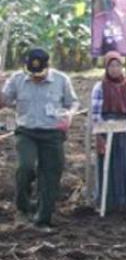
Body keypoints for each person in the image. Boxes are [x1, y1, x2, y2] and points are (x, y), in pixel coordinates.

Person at [1, 48, 79, 230]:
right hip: (26, 131)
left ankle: (43, 218)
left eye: (40, 74)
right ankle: (24, 207)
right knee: (25, 167)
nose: (36, 77)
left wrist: (69, 114)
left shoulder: (61, 80)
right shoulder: (17, 79)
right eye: (32, 74)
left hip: (52, 133)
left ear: (48, 67)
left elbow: (73, 102)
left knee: (51, 174)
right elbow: (3, 102)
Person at [90, 51, 126, 212]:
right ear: (106, 67)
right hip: (106, 127)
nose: (115, 69)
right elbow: (95, 114)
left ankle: (124, 200)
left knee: (123, 163)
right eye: (111, 66)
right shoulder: (100, 86)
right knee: (108, 164)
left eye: (118, 65)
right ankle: (107, 202)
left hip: (124, 130)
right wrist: (99, 135)